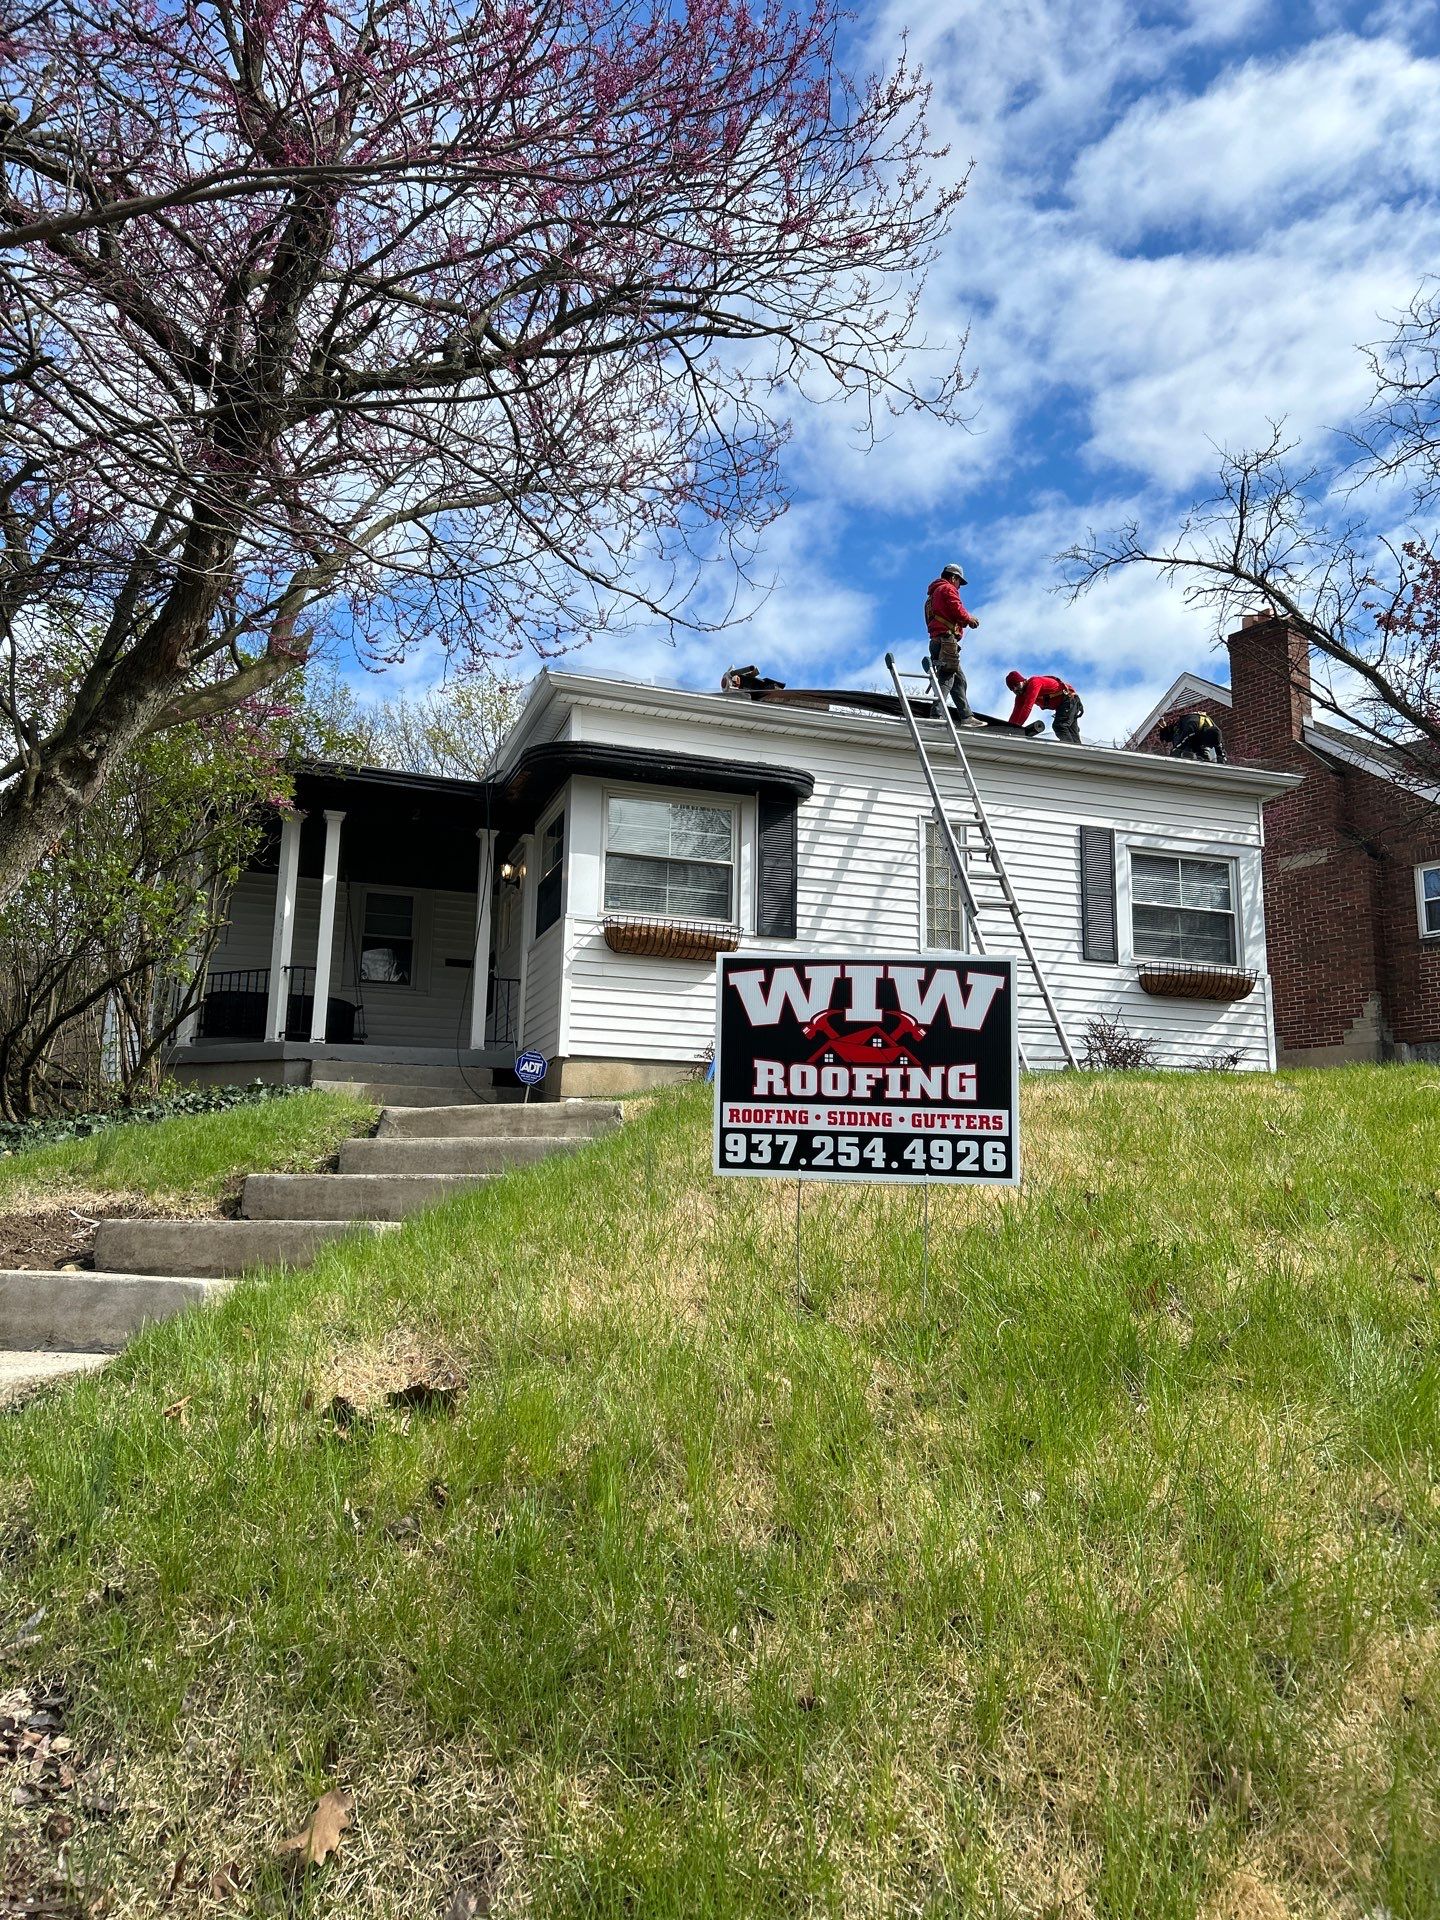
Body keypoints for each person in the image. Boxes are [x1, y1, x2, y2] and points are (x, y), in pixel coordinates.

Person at [923, 561, 981, 725]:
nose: (959, 586)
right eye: (959, 582)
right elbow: (956, 608)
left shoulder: (932, 596)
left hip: (937, 641)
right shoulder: (948, 589)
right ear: (953, 577)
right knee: (947, 678)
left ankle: (966, 716)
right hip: (946, 640)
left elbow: (945, 613)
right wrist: (969, 619)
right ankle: (936, 714)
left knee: (959, 680)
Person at [1005, 670, 1084, 744]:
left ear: (1023, 681)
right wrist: (1007, 730)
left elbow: (1027, 707)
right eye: (1012, 688)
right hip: (1064, 705)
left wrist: (1016, 729)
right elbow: (1015, 714)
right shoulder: (1021, 696)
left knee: (1060, 726)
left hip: (1069, 700)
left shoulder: (1034, 683)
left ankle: (1070, 750)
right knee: (1071, 732)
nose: (1015, 689)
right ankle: (1079, 752)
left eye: (1017, 685)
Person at [1159, 711, 1228, 763]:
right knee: (1187, 752)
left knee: (1205, 756)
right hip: (1185, 731)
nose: (1210, 747)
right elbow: (1178, 747)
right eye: (1209, 745)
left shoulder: (1216, 735)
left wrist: (1221, 761)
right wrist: (1172, 760)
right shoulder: (1191, 728)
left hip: (1198, 734)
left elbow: (1221, 753)